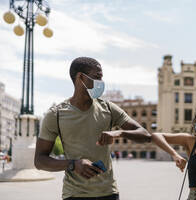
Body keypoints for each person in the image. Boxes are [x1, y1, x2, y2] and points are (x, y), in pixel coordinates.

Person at [34, 57, 152, 200]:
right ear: (81, 77)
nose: (101, 83)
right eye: (97, 77)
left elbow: (145, 135)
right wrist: (73, 164)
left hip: (109, 193)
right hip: (74, 195)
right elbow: (40, 161)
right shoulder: (56, 115)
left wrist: (119, 132)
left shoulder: (108, 108)